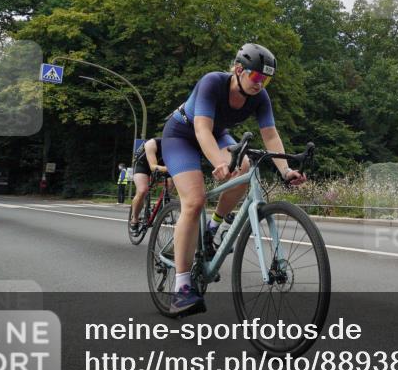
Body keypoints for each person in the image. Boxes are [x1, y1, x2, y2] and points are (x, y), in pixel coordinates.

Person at [161, 43, 306, 315]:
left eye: (267, 80)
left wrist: (286, 170)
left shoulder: (260, 98)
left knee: (245, 166)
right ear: (239, 70)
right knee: (194, 201)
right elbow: (201, 129)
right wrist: (218, 162)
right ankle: (181, 290)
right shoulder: (212, 83)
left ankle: (212, 229)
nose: (261, 84)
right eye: (256, 77)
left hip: (215, 135)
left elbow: (271, 136)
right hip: (181, 135)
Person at [129, 138, 172, 233]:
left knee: (170, 184)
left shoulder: (178, 148)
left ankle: (160, 206)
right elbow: (153, 166)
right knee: (142, 190)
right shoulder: (152, 144)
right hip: (143, 165)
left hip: (163, 166)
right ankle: (134, 219)